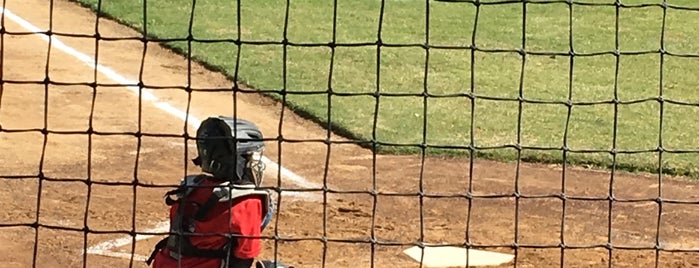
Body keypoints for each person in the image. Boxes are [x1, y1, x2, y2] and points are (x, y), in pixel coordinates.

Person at [146, 116, 288, 268]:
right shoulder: (246, 202)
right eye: (251, 156)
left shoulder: (191, 188)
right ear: (239, 159)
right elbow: (244, 258)